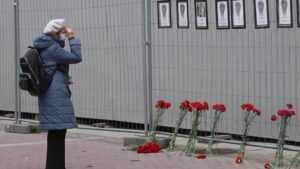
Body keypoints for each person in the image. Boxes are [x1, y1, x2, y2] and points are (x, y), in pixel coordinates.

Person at [33, 18, 82, 169]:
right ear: (54, 33)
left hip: (52, 92)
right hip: (55, 95)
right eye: (61, 33)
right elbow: (76, 57)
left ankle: (56, 165)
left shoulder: (46, 45)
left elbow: (52, 67)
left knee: (57, 132)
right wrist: (72, 38)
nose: (63, 35)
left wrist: (63, 78)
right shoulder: (52, 48)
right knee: (57, 132)